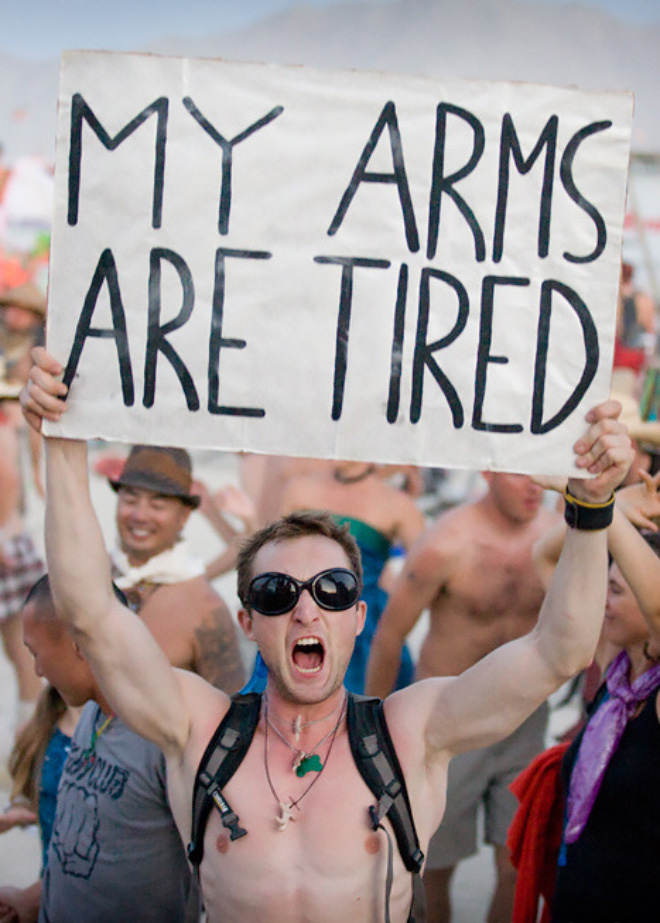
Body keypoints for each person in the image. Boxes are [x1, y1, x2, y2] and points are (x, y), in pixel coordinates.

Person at [21, 346, 632, 923]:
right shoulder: (197, 730)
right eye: (276, 593)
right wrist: (64, 440)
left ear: (358, 617)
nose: (306, 609)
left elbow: (559, 651)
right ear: (248, 623)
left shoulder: (412, 733)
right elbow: (91, 616)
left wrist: (591, 509)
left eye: (332, 590)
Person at [365, 472, 560, 923]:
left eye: (540, 477)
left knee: (517, 865)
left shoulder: (558, 539)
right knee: (434, 868)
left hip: (523, 720)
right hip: (451, 721)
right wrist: (369, 731)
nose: (535, 487)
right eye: (520, 476)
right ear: (488, 471)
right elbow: (390, 635)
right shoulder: (446, 543)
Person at [0, 575, 192, 923]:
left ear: (77, 643)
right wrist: (31, 900)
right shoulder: (91, 712)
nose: (38, 669)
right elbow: (87, 857)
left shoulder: (165, 731)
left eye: (36, 652)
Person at [101, 442, 245, 692]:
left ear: (184, 516)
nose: (140, 515)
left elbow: (230, 715)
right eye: (130, 499)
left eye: (157, 505)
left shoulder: (205, 609)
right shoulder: (91, 575)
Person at [1, 683, 81, 871]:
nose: (38, 670)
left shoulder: (117, 731)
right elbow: (37, 789)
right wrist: (19, 809)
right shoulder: (41, 727)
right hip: (49, 885)